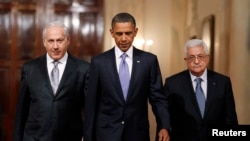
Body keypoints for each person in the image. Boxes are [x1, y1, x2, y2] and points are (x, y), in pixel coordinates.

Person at [83, 12, 170, 141]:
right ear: (112, 33)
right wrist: (88, 136)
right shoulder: (98, 62)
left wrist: (164, 126)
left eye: (128, 33)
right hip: (106, 134)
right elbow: (91, 103)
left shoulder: (149, 61)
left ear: (135, 32)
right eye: (119, 34)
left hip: (137, 133)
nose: (124, 38)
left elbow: (157, 98)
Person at [13, 20, 89, 141]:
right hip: (35, 137)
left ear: (68, 40)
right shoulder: (30, 68)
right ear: (44, 42)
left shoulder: (83, 69)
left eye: (59, 40)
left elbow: (89, 109)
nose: (55, 46)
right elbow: (21, 110)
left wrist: (87, 136)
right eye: (50, 41)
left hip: (70, 137)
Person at [163, 39, 238, 141]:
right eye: (191, 57)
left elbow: (230, 119)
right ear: (186, 60)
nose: (196, 61)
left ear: (207, 58)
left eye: (200, 56)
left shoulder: (223, 82)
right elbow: (164, 118)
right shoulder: (172, 83)